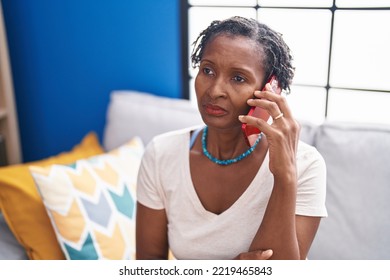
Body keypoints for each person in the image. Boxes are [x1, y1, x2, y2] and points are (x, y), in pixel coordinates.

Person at [136, 16, 327, 260]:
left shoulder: (306, 165)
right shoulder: (161, 154)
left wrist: (285, 175)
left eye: (238, 78)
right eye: (207, 70)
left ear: (270, 90)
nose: (214, 91)